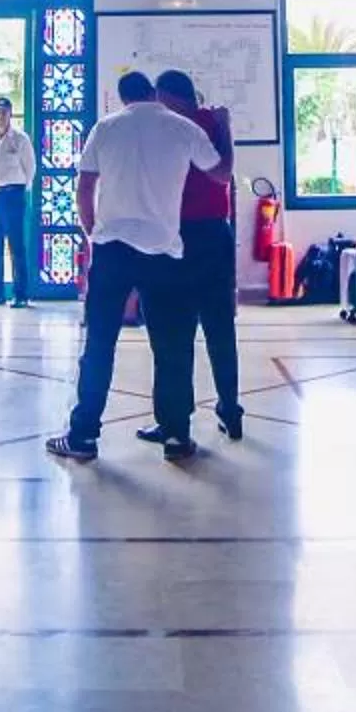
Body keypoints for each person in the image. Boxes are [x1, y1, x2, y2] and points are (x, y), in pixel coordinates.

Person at [50, 71, 217, 464]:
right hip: (163, 250)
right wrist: (222, 129)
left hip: (114, 250)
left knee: (99, 345)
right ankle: (176, 435)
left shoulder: (105, 128)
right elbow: (216, 170)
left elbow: (85, 186)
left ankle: (83, 436)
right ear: (153, 94)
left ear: (124, 97)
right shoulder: (183, 127)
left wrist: (93, 232)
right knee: (172, 345)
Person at [153, 70, 242, 442]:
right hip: (216, 235)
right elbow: (226, 169)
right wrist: (226, 127)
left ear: (171, 97)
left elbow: (222, 175)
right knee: (220, 328)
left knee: (176, 332)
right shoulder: (210, 121)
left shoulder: (167, 128)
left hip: (178, 237)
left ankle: (176, 425)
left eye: (160, 98)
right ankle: (229, 410)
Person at [0, 95, 38, 307]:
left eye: (3, 113)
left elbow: (30, 168)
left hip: (13, 194)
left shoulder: (20, 139)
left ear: (10, 114)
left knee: (16, 246)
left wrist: (22, 190)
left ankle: (21, 295)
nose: (0, 117)